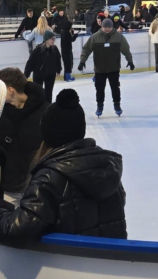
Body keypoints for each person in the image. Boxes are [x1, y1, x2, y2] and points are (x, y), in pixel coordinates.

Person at [0, 88, 127, 244]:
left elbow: (15, 230)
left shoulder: (50, 177)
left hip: (69, 265)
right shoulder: (107, 166)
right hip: (107, 264)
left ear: (48, 133)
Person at [0, 67, 49, 204]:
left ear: (10, 90)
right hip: (7, 188)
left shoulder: (46, 113)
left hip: (35, 190)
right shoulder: (2, 110)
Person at [78, 18, 135, 118]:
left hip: (114, 68)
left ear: (112, 27)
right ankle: (99, 106)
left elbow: (126, 49)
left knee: (115, 88)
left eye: (109, 27)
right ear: (102, 27)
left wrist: (130, 61)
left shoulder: (118, 37)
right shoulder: (95, 37)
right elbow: (86, 49)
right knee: (99, 89)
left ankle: (117, 105)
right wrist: (82, 61)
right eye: (105, 27)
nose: (107, 29)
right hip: (100, 69)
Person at [24, 30, 62, 103]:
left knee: (49, 92)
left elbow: (58, 59)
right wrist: (26, 75)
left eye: (54, 39)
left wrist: (58, 70)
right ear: (46, 39)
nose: (53, 40)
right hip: (39, 74)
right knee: (38, 93)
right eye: (52, 39)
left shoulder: (55, 49)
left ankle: (47, 107)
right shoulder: (38, 50)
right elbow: (30, 63)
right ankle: (38, 108)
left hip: (51, 74)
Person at [54, 7, 76, 82]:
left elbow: (70, 39)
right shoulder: (66, 33)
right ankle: (67, 77)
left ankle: (67, 76)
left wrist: (72, 33)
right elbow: (71, 40)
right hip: (67, 51)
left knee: (68, 63)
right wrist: (75, 35)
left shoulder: (64, 32)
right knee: (68, 64)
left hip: (66, 51)